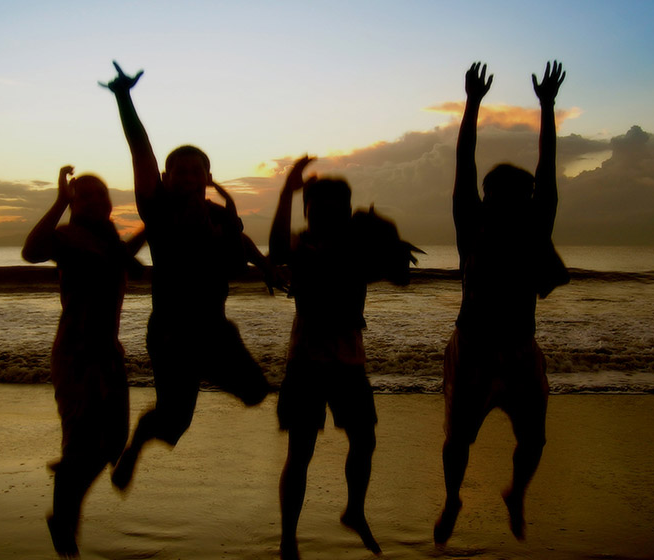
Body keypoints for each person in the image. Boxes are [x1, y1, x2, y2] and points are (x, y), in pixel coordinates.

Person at [100, 62, 270, 491]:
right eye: (182, 171)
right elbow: (140, 150)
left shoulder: (221, 216)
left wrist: (264, 264)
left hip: (214, 330)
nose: (190, 177)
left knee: (256, 393)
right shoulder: (157, 210)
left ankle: (200, 369)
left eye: (198, 172)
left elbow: (240, 254)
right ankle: (138, 442)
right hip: (171, 334)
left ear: (208, 179)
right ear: (166, 177)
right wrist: (124, 98)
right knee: (173, 423)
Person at [434, 61, 569, 544]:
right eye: (500, 193)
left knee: (534, 439)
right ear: (487, 198)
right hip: (471, 347)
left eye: (521, 195)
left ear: (528, 200)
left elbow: (547, 172)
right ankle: (453, 498)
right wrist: (472, 104)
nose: (512, 201)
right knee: (458, 439)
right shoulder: (471, 224)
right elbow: (465, 164)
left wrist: (548, 106)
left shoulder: (535, 227)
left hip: (519, 350)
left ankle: (516, 494)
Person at [270, 156, 417, 560]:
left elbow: (401, 277)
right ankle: (288, 538)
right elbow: (278, 250)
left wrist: (390, 242)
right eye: (317, 209)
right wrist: (285, 192)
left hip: (349, 359)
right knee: (300, 451)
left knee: (364, 440)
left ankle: (353, 510)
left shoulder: (357, 244)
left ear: (347, 210)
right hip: (306, 360)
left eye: (336, 209)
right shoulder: (302, 244)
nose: (326, 216)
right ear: (307, 211)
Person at [22, 165, 145, 558]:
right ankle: (63, 517)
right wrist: (60, 200)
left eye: (100, 194)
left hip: (107, 352)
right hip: (77, 354)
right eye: (84, 195)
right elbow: (31, 252)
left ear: (110, 202)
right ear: (74, 205)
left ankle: (68, 484)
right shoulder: (67, 237)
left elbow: (125, 261)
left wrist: (152, 226)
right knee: (86, 443)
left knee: (114, 441)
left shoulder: (107, 239)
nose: (94, 200)